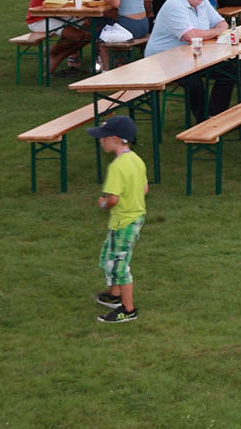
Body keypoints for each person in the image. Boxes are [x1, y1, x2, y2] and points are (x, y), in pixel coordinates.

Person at [147, 0, 233, 120]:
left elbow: (222, 24)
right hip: (162, 60)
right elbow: (190, 36)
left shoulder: (203, 3)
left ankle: (215, 115)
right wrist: (215, 31)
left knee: (229, 70)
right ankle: (203, 121)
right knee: (194, 82)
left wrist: (212, 30)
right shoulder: (175, 5)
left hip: (191, 56)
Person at [86, 113, 146, 324]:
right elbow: (145, 188)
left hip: (124, 222)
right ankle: (114, 295)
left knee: (119, 264)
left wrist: (102, 203)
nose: (100, 140)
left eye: (103, 136)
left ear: (115, 139)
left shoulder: (117, 167)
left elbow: (112, 199)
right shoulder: (136, 160)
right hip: (135, 218)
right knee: (108, 256)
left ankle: (127, 309)